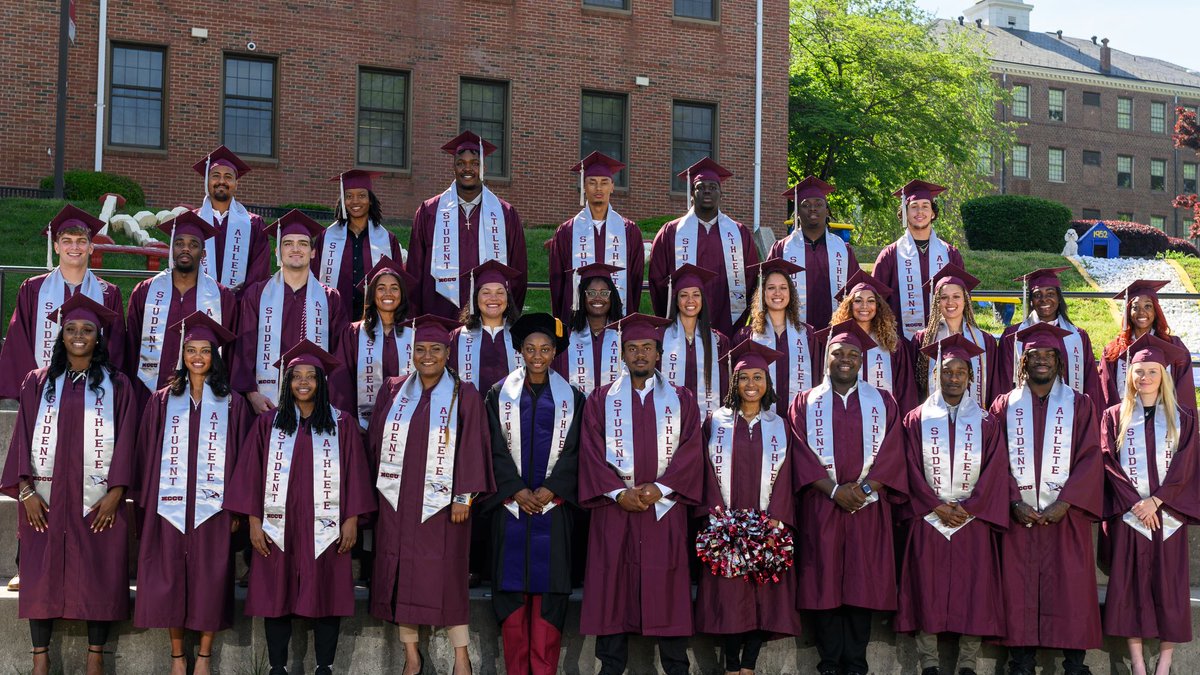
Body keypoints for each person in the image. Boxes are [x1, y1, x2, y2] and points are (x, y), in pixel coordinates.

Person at [1, 294, 137, 675]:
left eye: (88, 330)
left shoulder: (119, 385)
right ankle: (39, 660)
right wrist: (25, 492)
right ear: (61, 336)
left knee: (102, 570)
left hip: (98, 502)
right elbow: (22, 437)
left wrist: (116, 493)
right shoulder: (38, 383)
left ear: (99, 337)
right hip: (45, 499)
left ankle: (96, 657)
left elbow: (127, 440)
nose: (79, 335)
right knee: (41, 572)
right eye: (72, 329)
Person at [225, 341, 375, 675]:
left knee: (327, 592)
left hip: (326, 526)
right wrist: (253, 523)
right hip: (280, 526)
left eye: (311, 376)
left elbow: (355, 474)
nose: (303, 382)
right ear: (287, 382)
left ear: (322, 383)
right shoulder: (269, 424)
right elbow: (250, 475)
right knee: (275, 593)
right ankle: (276, 667)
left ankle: (325, 666)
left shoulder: (343, 424)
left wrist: (351, 520)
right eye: (297, 376)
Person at [366, 313, 494, 675]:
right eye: (420, 349)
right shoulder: (394, 389)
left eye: (435, 349)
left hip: (443, 506)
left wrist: (464, 496)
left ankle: (461, 657)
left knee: (447, 577)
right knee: (399, 574)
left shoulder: (463, 393)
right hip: (397, 502)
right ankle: (411, 657)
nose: (427, 356)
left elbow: (473, 446)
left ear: (447, 353)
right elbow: (376, 441)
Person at [577, 313, 705, 675]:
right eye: (632, 349)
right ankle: (611, 666)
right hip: (614, 509)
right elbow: (589, 450)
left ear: (658, 354)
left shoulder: (682, 399)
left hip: (664, 508)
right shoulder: (601, 400)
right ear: (623, 355)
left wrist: (660, 488)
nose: (640, 355)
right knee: (611, 584)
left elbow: (692, 450)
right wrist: (618, 493)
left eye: (647, 348)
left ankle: (676, 666)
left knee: (668, 585)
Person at [133, 311, 251, 675]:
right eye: (191, 350)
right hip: (169, 508)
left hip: (214, 511)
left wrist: (236, 510)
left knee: (211, 580)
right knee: (171, 579)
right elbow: (146, 454)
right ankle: (177, 657)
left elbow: (243, 464)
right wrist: (150, 503)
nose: (197, 357)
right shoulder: (163, 401)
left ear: (215, 357)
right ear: (182, 356)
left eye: (205, 351)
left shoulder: (233, 404)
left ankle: (203, 656)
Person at [789, 321, 907, 675]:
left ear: (862, 360)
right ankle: (828, 662)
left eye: (853, 354)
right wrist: (835, 490)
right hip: (822, 504)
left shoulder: (882, 401)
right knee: (824, 582)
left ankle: (856, 662)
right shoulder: (805, 402)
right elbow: (800, 453)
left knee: (862, 583)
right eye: (838, 353)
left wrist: (866, 489)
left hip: (867, 508)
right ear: (826, 358)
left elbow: (892, 453)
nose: (845, 359)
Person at [989, 322, 1104, 675]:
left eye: (1048, 355)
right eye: (1034, 355)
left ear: (1059, 361)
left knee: (1070, 585)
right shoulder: (1004, 406)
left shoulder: (1080, 405)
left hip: (1064, 517)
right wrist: (1013, 501)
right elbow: (995, 461)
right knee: (1017, 585)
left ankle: (1074, 664)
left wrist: (1065, 503)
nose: (1041, 360)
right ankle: (1021, 661)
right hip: (1019, 516)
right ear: (1023, 362)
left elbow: (1090, 458)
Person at [895, 334, 1010, 675]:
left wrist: (971, 508)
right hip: (928, 518)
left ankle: (968, 663)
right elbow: (910, 467)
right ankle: (929, 662)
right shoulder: (916, 419)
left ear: (970, 377)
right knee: (925, 587)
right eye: (948, 371)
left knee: (974, 590)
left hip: (971, 520)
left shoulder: (987, 422)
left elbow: (994, 471)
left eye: (961, 371)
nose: (954, 377)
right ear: (937, 375)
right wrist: (934, 505)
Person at [482, 313, 585, 675]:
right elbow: (491, 446)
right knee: (511, 598)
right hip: (510, 511)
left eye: (544, 348)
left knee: (549, 597)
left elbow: (577, 450)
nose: (537, 355)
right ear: (520, 352)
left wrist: (553, 488)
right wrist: (515, 489)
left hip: (553, 510)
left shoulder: (573, 397)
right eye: (530, 349)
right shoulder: (498, 394)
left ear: (555, 352)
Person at [695, 339, 801, 675]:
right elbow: (704, 471)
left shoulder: (779, 425)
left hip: (768, 525)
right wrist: (719, 520)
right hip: (724, 526)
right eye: (744, 378)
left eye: (758, 377)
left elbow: (787, 475)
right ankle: (730, 666)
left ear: (768, 383)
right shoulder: (716, 422)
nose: (751, 384)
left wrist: (776, 521)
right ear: (734, 383)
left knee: (762, 595)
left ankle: (749, 666)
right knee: (729, 594)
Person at [1099, 333, 1200, 675]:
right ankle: (1138, 661)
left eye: (1152, 371)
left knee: (1169, 587)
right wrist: (1136, 504)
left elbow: (1186, 465)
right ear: (1129, 375)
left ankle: (1166, 660)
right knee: (1129, 587)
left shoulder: (1183, 418)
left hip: (1168, 515)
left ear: (1164, 375)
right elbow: (1108, 463)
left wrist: (1156, 501)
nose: (1144, 378)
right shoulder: (1114, 416)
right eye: (1138, 371)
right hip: (1130, 516)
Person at [0, 204, 126, 400]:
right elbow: (19, 341)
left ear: (91, 248)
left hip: (93, 394)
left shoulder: (108, 293)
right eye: (67, 241)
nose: (74, 247)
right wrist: (32, 386)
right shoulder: (33, 289)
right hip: (41, 393)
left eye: (81, 241)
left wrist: (104, 386)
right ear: (56, 247)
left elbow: (115, 345)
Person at [232, 209, 348, 415]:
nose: (296, 249)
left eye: (303, 244)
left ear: (313, 252)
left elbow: (339, 356)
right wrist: (252, 394)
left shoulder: (330, 298)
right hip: (266, 404)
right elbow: (244, 348)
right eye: (288, 243)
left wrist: (329, 398)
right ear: (277, 251)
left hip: (317, 404)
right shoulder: (257, 294)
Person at [406, 130, 527, 320]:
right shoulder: (430, 212)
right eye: (461, 163)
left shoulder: (505, 214)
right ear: (453, 167)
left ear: (483, 167)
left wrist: (508, 316)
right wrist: (419, 318)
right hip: (439, 314)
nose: (467, 169)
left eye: (474, 164)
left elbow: (518, 272)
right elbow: (415, 270)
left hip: (490, 318)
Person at [125, 211, 235, 408]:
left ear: (203, 253)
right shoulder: (145, 291)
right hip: (148, 391)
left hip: (204, 397)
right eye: (179, 243)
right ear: (171, 249)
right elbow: (131, 344)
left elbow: (230, 352)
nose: (185, 249)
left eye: (193, 245)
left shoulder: (223, 298)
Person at [648, 157, 760, 338]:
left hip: (728, 325)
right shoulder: (671, 232)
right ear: (692, 193)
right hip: (681, 328)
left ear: (721, 194)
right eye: (701, 187)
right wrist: (669, 318)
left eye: (713, 187)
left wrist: (738, 323)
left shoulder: (739, 233)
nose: (707, 191)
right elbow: (657, 280)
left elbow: (750, 280)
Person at [547, 151, 644, 320]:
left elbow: (635, 281)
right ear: (584, 187)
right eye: (592, 182)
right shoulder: (566, 231)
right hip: (575, 321)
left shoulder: (630, 231)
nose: (598, 188)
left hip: (617, 320)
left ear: (612, 186)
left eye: (604, 182)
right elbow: (557, 282)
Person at [999, 267, 1103, 416]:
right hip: (1023, 417)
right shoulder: (1012, 337)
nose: (1044, 299)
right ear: (1031, 301)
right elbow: (1004, 381)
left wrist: (1088, 417)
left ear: (1059, 298)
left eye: (1050, 293)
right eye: (1037, 295)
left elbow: (1091, 383)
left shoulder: (1078, 337)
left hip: (1069, 417)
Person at [330, 256, 417, 429]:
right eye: (381, 288)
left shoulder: (414, 332)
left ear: (402, 294)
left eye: (394, 288)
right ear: (372, 293)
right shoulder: (353, 333)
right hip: (361, 426)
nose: (388, 294)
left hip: (407, 426)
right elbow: (341, 378)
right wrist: (350, 419)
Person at [871, 180, 965, 340]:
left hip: (944, 341)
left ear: (933, 213)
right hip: (901, 343)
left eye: (925, 206)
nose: (919, 211)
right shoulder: (890, 255)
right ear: (905, 213)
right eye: (914, 206)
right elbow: (876, 300)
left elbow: (962, 298)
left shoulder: (950, 254)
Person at [313, 169, 405, 321]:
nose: (355, 201)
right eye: (349, 196)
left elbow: (398, 282)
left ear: (370, 200)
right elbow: (315, 277)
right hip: (334, 318)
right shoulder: (326, 238)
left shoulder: (388, 240)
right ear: (343, 201)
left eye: (362, 195)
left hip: (373, 320)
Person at [768, 175, 858, 329]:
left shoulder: (843, 250)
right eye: (805, 205)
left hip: (835, 333)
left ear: (827, 210)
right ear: (797, 212)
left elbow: (855, 290)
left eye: (818, 203)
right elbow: (767, 291)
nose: (813, 208)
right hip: (791, 332)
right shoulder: (782, 249)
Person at [825, 270, 918, 413]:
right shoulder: (835, 342)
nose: (864, 306)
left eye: (871, 301)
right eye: (858, 301)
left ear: (878, 306)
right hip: (842, 417)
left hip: (884, 419)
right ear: (849, 305)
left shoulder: (893, 343)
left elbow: (905, 389)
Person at [1098, 279, 1196, 414]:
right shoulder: (1113, 351)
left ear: (1156, 311)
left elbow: (1184, 393)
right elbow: (1107, 394)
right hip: (1127, 424)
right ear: (1128, 312)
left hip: (1165, 423)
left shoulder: (1174, 346)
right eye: (1135, 307)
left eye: (1148, 306)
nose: (1141, 312)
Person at [734, 259, 815, 416]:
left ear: (790, 293)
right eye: (771, 288)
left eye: (783, 288)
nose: (777, 293)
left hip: (800, 421)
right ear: (762, 294)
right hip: (759, 426)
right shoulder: (746, 337)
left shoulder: (807, 335)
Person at [913, 264, 999, 407]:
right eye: (944, 297)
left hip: (975, 420)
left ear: (965, 300)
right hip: (932, 420)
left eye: (956, 296)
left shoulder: (985, 340)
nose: (950, 302)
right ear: (937, 303)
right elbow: (913, 386)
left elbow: (994, 385)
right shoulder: (922, 339)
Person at [191, 145, 271, 293]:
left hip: (239, 308)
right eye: (215, 176)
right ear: (207, 181)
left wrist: (239, 303)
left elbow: (259, 273)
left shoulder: (253, 224)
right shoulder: (193, 222)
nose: (222, 181)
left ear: (236, 184)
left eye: (228, 177)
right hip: (198, 305)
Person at [661, 264, 729, 417]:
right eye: (684, 295)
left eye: (696, 295)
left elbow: (725, 386)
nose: (690, 300)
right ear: (676, 301)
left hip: (708, 421)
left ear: (702, 299)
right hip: (668, 421)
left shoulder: (719, 342)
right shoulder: (660, 338)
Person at [450, 260, 524, 392]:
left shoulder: (523, 335)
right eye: (486, 292)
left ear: (508, 299)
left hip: (514, 410)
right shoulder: (458, 337)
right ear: (476, 298)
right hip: (470, 411)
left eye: (500, 292)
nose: (493, 298)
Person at [553, 263, 625, 396]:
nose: (598, 298)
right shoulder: (564, 340)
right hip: (575, 413)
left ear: (612, 297)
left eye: (604, 293)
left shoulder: (625, 336)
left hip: (617, 412)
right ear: (581, 297)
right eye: (591, 293)